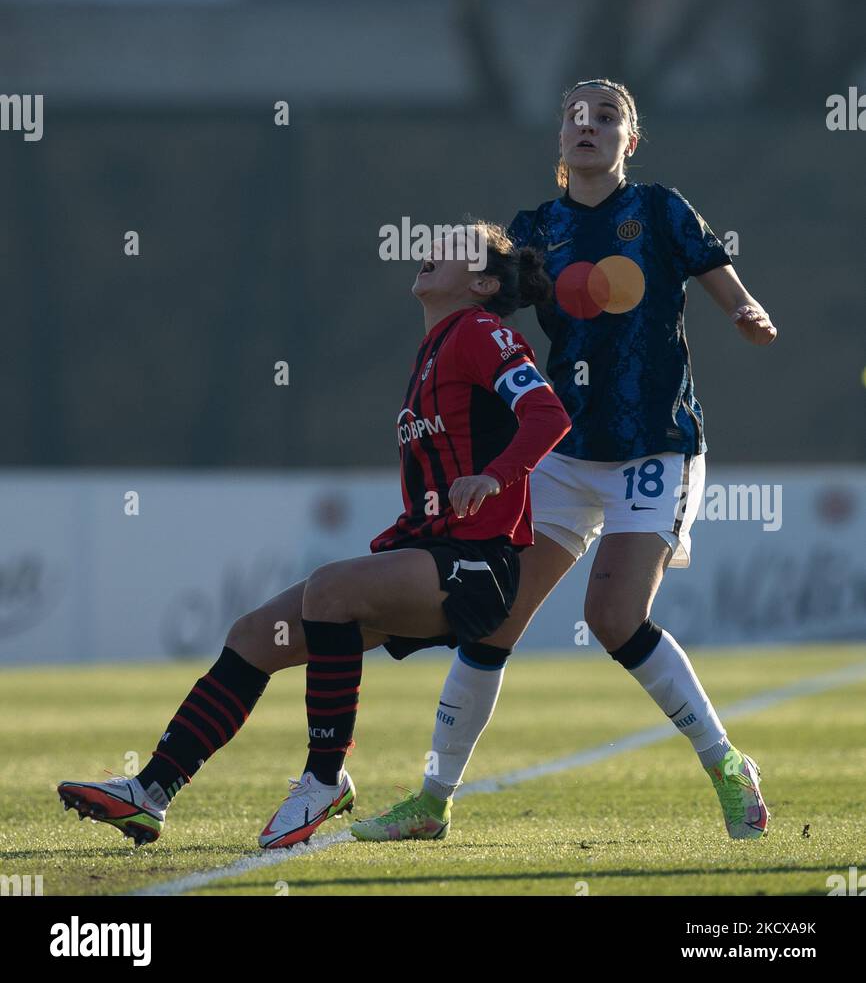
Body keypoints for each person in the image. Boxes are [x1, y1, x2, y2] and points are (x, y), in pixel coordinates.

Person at [351, 79, 778, 844]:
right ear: (560, 140)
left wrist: (746, 311)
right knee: (493, 618)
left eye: (607, 115)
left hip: (656, 443)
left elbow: (721, 281)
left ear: (630, 140)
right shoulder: (533, 231)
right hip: (562, 450)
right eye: (575, 115)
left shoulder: (661, 211)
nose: (589, 124)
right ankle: (432, 801)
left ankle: (725, 763)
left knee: (613, 618)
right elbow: (481, 313)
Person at [57, 223, 570, 847]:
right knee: (252, 635)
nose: (434, 248)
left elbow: (547, 413)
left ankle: (324, 779)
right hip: (426, 555)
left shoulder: (481, 331)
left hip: (477, 566)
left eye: (457, 248)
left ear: (484, 283)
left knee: (330, 589)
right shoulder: (434, 348)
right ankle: (152, 791)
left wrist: (494, 477)